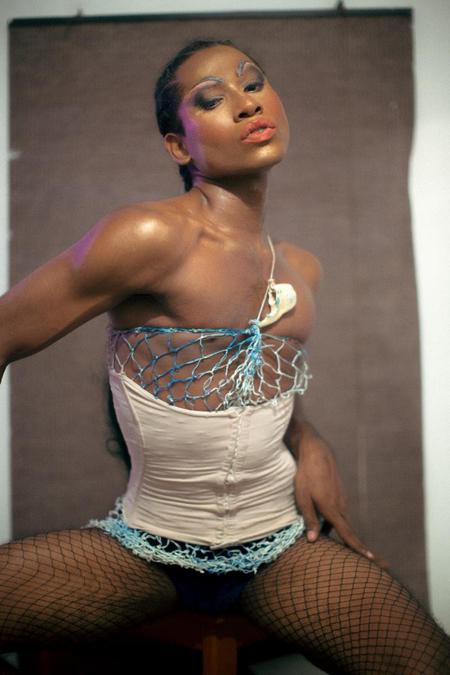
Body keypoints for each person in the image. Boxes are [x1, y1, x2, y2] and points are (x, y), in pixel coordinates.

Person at [0, 37, 448, 675]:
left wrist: (309, 440)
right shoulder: (147, 236)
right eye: (211, 100)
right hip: (145, 550)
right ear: (179, 147)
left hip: (281, 549)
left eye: (253, 83)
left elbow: (255, 387)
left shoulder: (301, 270)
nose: (246, 103)